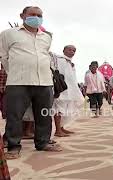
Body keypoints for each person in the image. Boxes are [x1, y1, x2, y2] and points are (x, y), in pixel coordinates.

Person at [0, 6, 62, 159]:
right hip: (18, 81)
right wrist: (16, 71)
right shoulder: (8, 34)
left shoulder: (46, 37)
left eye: (39, 15)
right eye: (32, 14)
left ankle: (43, 142)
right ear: (23, 16)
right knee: (15, 115)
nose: (36, 17)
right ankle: (14, 146)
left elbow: (44, 56)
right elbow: (4, 56)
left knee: (44, 114)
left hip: (44, 81)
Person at [52, 45, 84, 137]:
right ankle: (58, 130)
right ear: (63, 50)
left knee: (65, 109)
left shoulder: (70, 63)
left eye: (74, 50)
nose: (72, 52)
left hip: (69, 90)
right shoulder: (59, 59)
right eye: (69, 50)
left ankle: (61, 128)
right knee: (58, 108)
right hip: (61, 89)